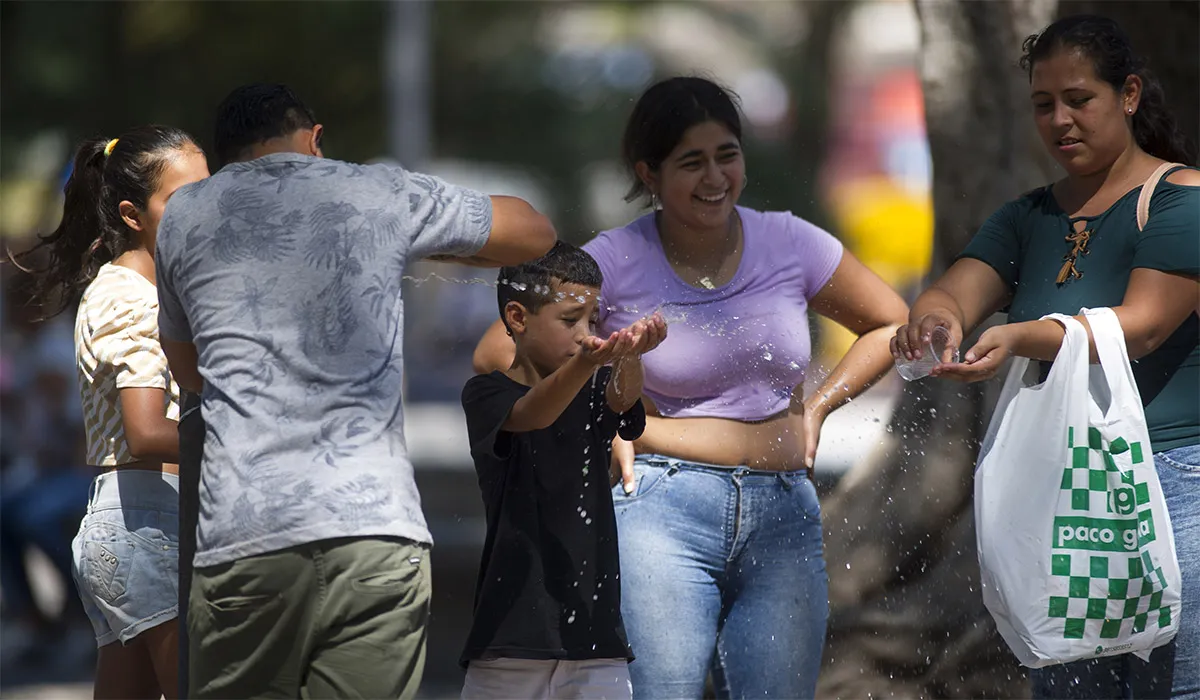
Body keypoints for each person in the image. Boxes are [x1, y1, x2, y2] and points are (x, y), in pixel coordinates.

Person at [474, 76, 909, 698]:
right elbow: (498, 350)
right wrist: (595, 420)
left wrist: (818, 407)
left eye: (727, 155)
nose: (715, 178)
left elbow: (889, 322)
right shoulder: (613, 260)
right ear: (648, 172)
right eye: (692, 162)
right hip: (658, 510)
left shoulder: (789, 241)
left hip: (784, 513)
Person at [153, 83, 557, 699]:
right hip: (375, 528)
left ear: (227, 152)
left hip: (244, 533)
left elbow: (191, 375)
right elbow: (533, 232)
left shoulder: (184, 214)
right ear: (314, 140)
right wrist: (411, 247)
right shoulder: (375, 191)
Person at [891, 15, 1199, 700]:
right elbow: (953, 292)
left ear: (1129, 95)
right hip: (1064, 497)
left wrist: (1021, 336)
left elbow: (1142, 325)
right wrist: (934, 322)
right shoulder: (1028, 217)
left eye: (1079, 99)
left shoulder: (1184, 200)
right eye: (1042, 104)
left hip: (1175, 485)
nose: (1060, 119)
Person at [8, 125, 210, 699]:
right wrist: (246, 439)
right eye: (181, 199)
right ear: (131, 213)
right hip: (148, 530)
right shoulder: (130, 296)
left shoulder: (141, 290)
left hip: (132, 530)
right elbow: (146, 433)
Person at [460, 242, 665, 699]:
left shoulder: (593, 391)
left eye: (592, 320)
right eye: (570, 320)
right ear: (518, 318)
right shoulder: (486, 394)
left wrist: (629, 355)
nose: (584, 333)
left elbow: (623, 400)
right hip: (509, 638)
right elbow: (534, 413)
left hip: (595, 640)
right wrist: (590, 361)